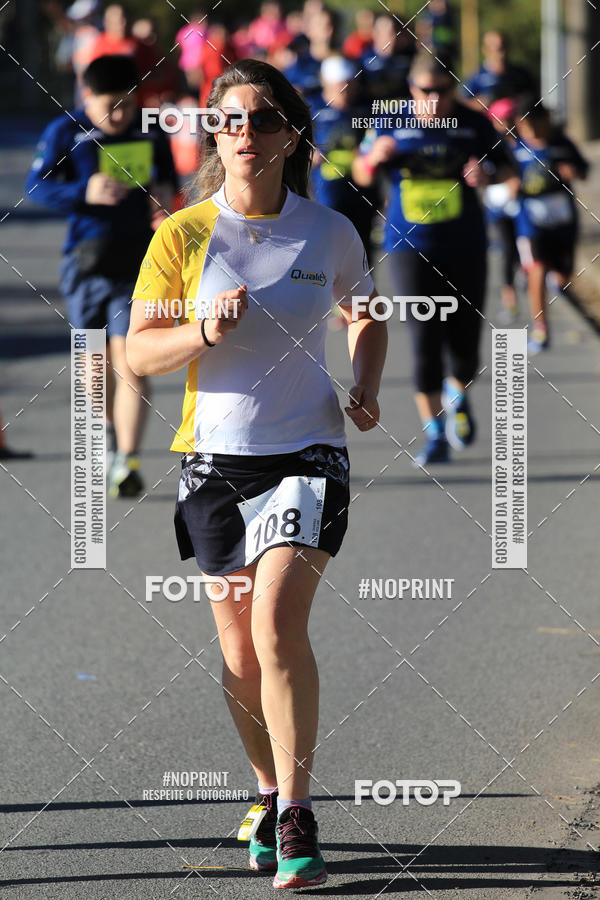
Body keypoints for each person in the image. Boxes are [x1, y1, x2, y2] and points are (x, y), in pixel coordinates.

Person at [126, 57, 387, 889]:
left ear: (292, 134)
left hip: (308, 449)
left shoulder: (329, 230)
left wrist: (367, 383)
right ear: (214, 133)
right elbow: (138, 350)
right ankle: (269, 793)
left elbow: (365, 313)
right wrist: (201, 331)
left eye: (262, 119)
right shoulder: (182, 234)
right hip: (213, 460)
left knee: (276, 625)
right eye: (229, 120)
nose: (244, 133)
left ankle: (302, 812)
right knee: (240, 656)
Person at [25, 55, 178, 496]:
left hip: (138, 262)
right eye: (111, 105)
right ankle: (108, 437)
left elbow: (166, 183)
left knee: (130, 358)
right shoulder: (66, 131)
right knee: (93, 361)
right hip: (86, 261)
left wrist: (164, 204)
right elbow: (36, 185)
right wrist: (82, 191)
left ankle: (127, 460)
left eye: (128, 104)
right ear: (88, 96)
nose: (120, 115)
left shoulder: (150, 130)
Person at [353, 53, 515, 467]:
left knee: (466, 349)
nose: (435, 100)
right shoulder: (389, 121)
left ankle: (456, 395)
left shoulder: (472, 122)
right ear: (412, 90)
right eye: (426, 92)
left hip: (466, 244)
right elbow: (361, 171)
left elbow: (506, 167)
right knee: (424, 341)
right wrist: (374, 157)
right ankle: (435, 433)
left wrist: (488, 176)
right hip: (409, 247)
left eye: (443, 91)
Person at [511, 99, 589, 354]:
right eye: (524, 128)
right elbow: (501, 174)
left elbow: (584, 170)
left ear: (545, 122)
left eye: (535, 126)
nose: (531, 132)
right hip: (530, 220)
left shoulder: (562, 144)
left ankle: (557, 285)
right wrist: (508, 184)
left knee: (563, 274)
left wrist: (573, 172)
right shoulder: (516, 149)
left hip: (562, 219)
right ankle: (540, 326)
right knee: (538, 268)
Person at [484, 97, 522, 322]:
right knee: (508, 251)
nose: (506, 124)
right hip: (498, 207)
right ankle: (510, 300)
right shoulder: (487, 142)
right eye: (501, 120)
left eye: (510, 119)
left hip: (524, 206)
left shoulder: (524, 141)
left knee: (524, 249)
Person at [462, 30, 536, 109]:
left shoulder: (521, 74)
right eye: (498, 49)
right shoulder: (476, 76)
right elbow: (463, 102)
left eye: (504, 47)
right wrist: (484, 102)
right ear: (485, 50)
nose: (502, 54)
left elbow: (534, 100)